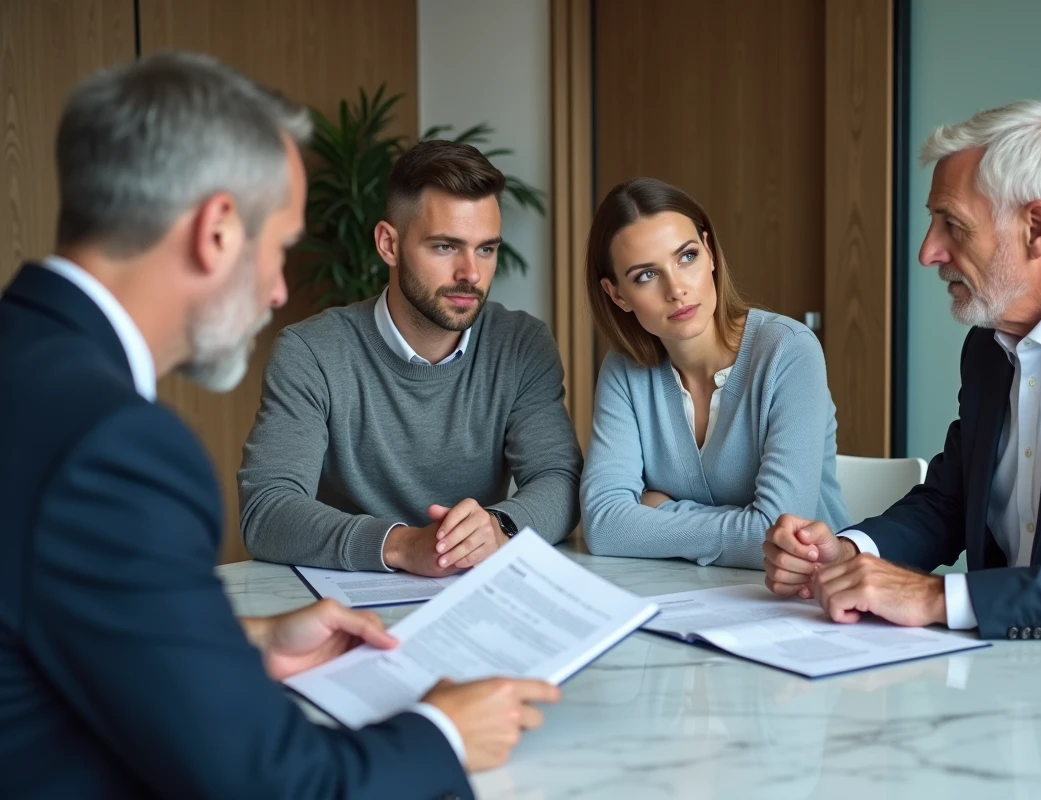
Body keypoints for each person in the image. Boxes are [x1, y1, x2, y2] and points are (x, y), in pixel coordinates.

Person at [0, 52, 559, 799]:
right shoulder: (116, 449)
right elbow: (274, 784)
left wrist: (245, 641)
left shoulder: (22, 359)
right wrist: (447, 733)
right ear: (219, 231)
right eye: (282, 246)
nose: (278, 289)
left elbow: (51, 630)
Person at [763, 99, 1041, 642]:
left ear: (1037, 228)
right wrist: (849, 554)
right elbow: (952, 501)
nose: (928, 251)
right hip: (994, 678)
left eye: (952, 224)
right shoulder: (988, 345)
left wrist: (935, 597)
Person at [239, 140, 582, 576]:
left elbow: (560, 480)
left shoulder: (521, 345)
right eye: (445, 247)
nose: (471, 274)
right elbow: (267, 510)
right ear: (389, 244)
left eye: (486, 249)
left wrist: (499, 527)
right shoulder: (311, 353)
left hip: (476, 602)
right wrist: (401, 546)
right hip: (348, 603)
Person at [580, 178, 850, 568]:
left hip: (808, 599)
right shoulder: (624, 370)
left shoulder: (788, 350)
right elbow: (603, 526)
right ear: (617, 294)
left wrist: (665, 511)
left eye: (686, 256)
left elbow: (781, 536)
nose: (676, 290)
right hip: (685, 596)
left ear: (709, 253)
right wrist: (742, 528)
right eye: (645, 275)